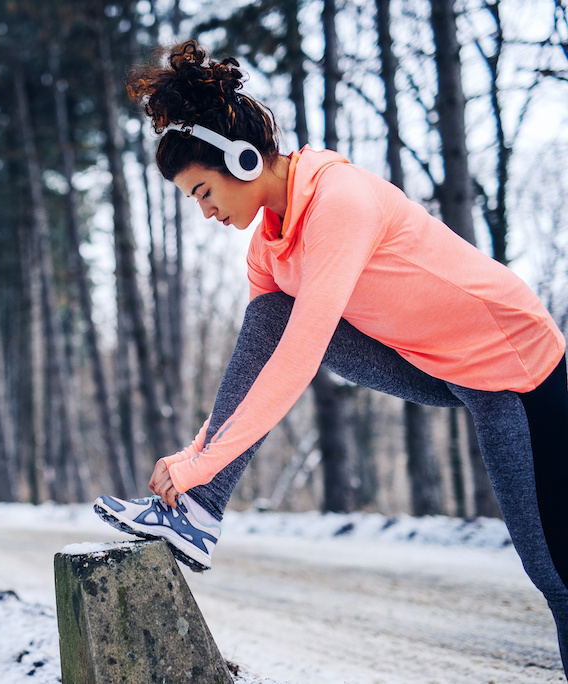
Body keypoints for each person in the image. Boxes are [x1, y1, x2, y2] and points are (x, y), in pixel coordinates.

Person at [93, 39, 568, 674]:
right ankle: (203, 508)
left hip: (511, 364)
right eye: (192, 200)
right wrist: (195, 459)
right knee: (268, 317)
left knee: (553, 568)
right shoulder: (269, 248)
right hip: (435, 363)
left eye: (203, 191)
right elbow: (255, 363)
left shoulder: (339, 201)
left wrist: (202, 457)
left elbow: (297, 360)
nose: (205, 210)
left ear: (242, 158)